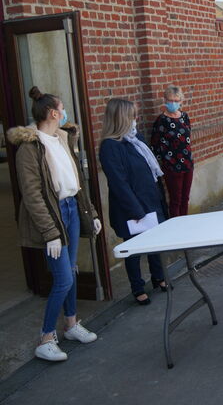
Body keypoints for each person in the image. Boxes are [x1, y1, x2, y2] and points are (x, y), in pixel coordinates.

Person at [7, 87, 100, 362]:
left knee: (70, 269)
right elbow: (33, 195)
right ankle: (46, 338)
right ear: (53, 113)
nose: (65, 113)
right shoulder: (30, 147)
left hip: (71, 208)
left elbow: (77, 182)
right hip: (53, 214)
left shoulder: (62, 138)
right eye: (62, 108)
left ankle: (71, 325)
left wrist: (91, 213)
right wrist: (50, 233)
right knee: (64, 279)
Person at [99, 98, 170, 304]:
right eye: (132, 115)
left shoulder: (135, 138)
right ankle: (137, 288)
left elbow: (149, 170)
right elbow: (119, 184)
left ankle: (158, 277)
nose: (135, 119)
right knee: (133, 250)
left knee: (155, 243)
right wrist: (137, 211)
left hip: (151, 200)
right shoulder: (110, 147)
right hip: (131, 208)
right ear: (121, 118)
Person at [151, 85, 194, 217]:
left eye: (176, 101)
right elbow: (155, 144)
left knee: (185, 198)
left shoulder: (184, 117)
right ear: (165, 100)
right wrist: (163, 162)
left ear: (181, 101)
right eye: (170, 100)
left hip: (187, 163)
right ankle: (176, 227)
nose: (173, 103)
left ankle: (185, 223)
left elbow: (188, 136)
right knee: (175, 200)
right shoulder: (161, 120)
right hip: (172, 165)